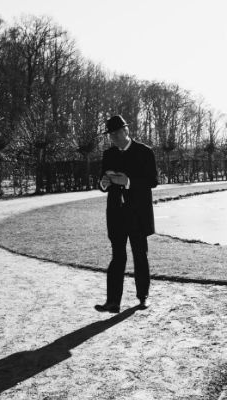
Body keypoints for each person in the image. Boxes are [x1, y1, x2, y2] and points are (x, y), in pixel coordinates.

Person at [94, 115, 158, 313]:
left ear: (126, 130)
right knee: (117, 256)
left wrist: (128, 182)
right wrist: (103, 184)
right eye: (111, 134)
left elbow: (153, 181)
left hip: (137, 213)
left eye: (116, 133)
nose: (113, 137)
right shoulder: (109, 154)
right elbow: (103, 180)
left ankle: (143, 297)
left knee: (140, 255)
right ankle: (113, 301)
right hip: (116, 213)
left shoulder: (144, 152)